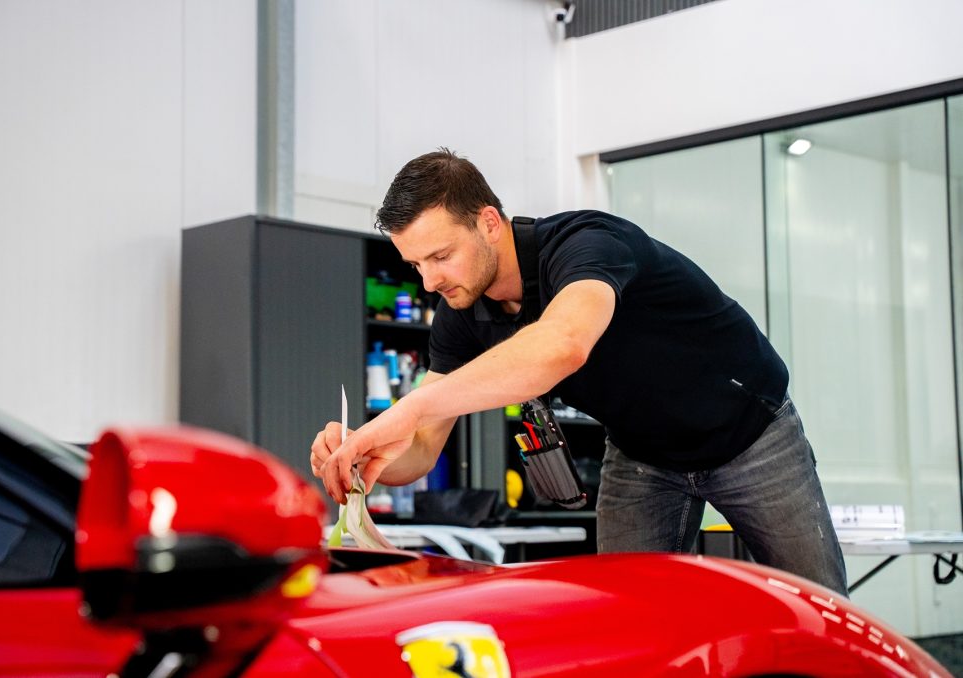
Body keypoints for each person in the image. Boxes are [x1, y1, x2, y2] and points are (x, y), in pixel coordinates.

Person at [310, 148, 848, 596]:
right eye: (416, 265)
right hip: (643, 456)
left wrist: (411, 407)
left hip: (750, 433)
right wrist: (365, 453)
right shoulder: (461, 314)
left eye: (441, 256)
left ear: (489, 223)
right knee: (626, 620)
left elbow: (562, 346)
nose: (429, 282)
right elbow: (424, 447)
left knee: (822, 608)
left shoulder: (586, 243)